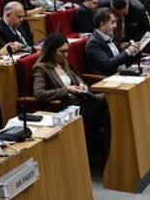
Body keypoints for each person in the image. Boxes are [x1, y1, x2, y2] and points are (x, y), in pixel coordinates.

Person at [32, 33, 110, 161]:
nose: (66, 55)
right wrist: (66, 90)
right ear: (51, 50)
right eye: (62, 52)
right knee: (109, 98)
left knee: (107, 115)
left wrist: (81, 85)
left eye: (67, 51)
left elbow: (76, 77)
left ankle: (108, 162)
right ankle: (104, 97)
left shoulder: (63, 63)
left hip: (80, 103)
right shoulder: (40, 68)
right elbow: (39, 94)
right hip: (66, 109)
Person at [84, 8, 141, 76]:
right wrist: (128, 51)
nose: (115, 26)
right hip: (108, 80)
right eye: (112, 22)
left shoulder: (110, 36)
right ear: (102, 25)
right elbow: (108, 65)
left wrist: (134, 51)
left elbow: (120, 58)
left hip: (123, 73)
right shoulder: (93, 44)